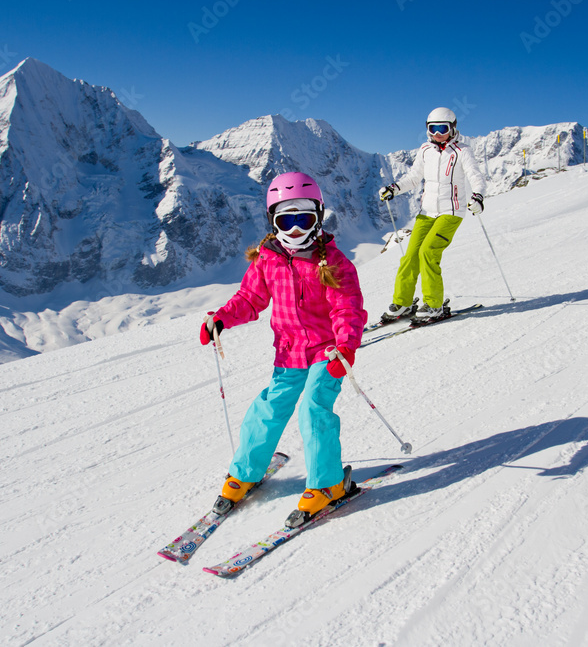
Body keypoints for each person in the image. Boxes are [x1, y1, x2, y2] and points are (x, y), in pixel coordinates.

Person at [199, 172, 367, 527]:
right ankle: (244, 473)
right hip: (289, 352)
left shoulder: (334, 262)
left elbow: (347, 307)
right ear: (272, 221)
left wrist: (345, 347)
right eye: (284, 220)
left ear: (318, 217)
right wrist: (222, 319)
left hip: (328, 353)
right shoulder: (268, 259)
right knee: (268, 408)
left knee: (313, 408)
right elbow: (250, 298)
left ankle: (328, 485)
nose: (294, 229)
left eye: (303, 219)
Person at [378, 107, 487, 323]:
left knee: (428, 252)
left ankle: (434, 305)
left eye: (442, 128)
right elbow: (413, 177)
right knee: (410, 257)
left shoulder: (462, 151)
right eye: (433, 128)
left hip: (451, 212)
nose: (437, 133)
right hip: (427, 212)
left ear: (453, 128)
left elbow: (476, 176)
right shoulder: (425, 150)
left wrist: (479, 197)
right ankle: (403, 303)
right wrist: (394, 188)